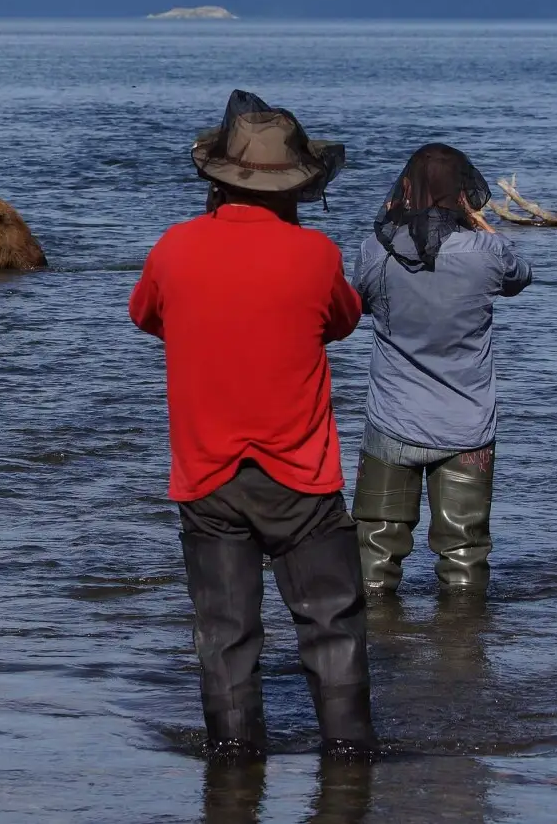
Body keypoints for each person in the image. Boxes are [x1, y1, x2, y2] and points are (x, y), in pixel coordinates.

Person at [130, 90, 374, 758]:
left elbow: (147, 316)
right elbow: (344, 321)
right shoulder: (316, 253)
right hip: (301, 474)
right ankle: (348, 758)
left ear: (218, 180)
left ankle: (234, 762)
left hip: (206, 473)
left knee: (224, 632)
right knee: (332, 625)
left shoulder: (173, 248)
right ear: (295, 186)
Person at [351, 144, 533, 593]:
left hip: (392, 422)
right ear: (464, 195)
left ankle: (375, 650)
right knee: (465, 554)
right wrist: (481, 224)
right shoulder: (488, 252)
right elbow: (521, 276)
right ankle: (463, 652)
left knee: (373, 554)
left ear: (405, 191)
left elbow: (358, 304)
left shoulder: (376, 251)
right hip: (467, 427)